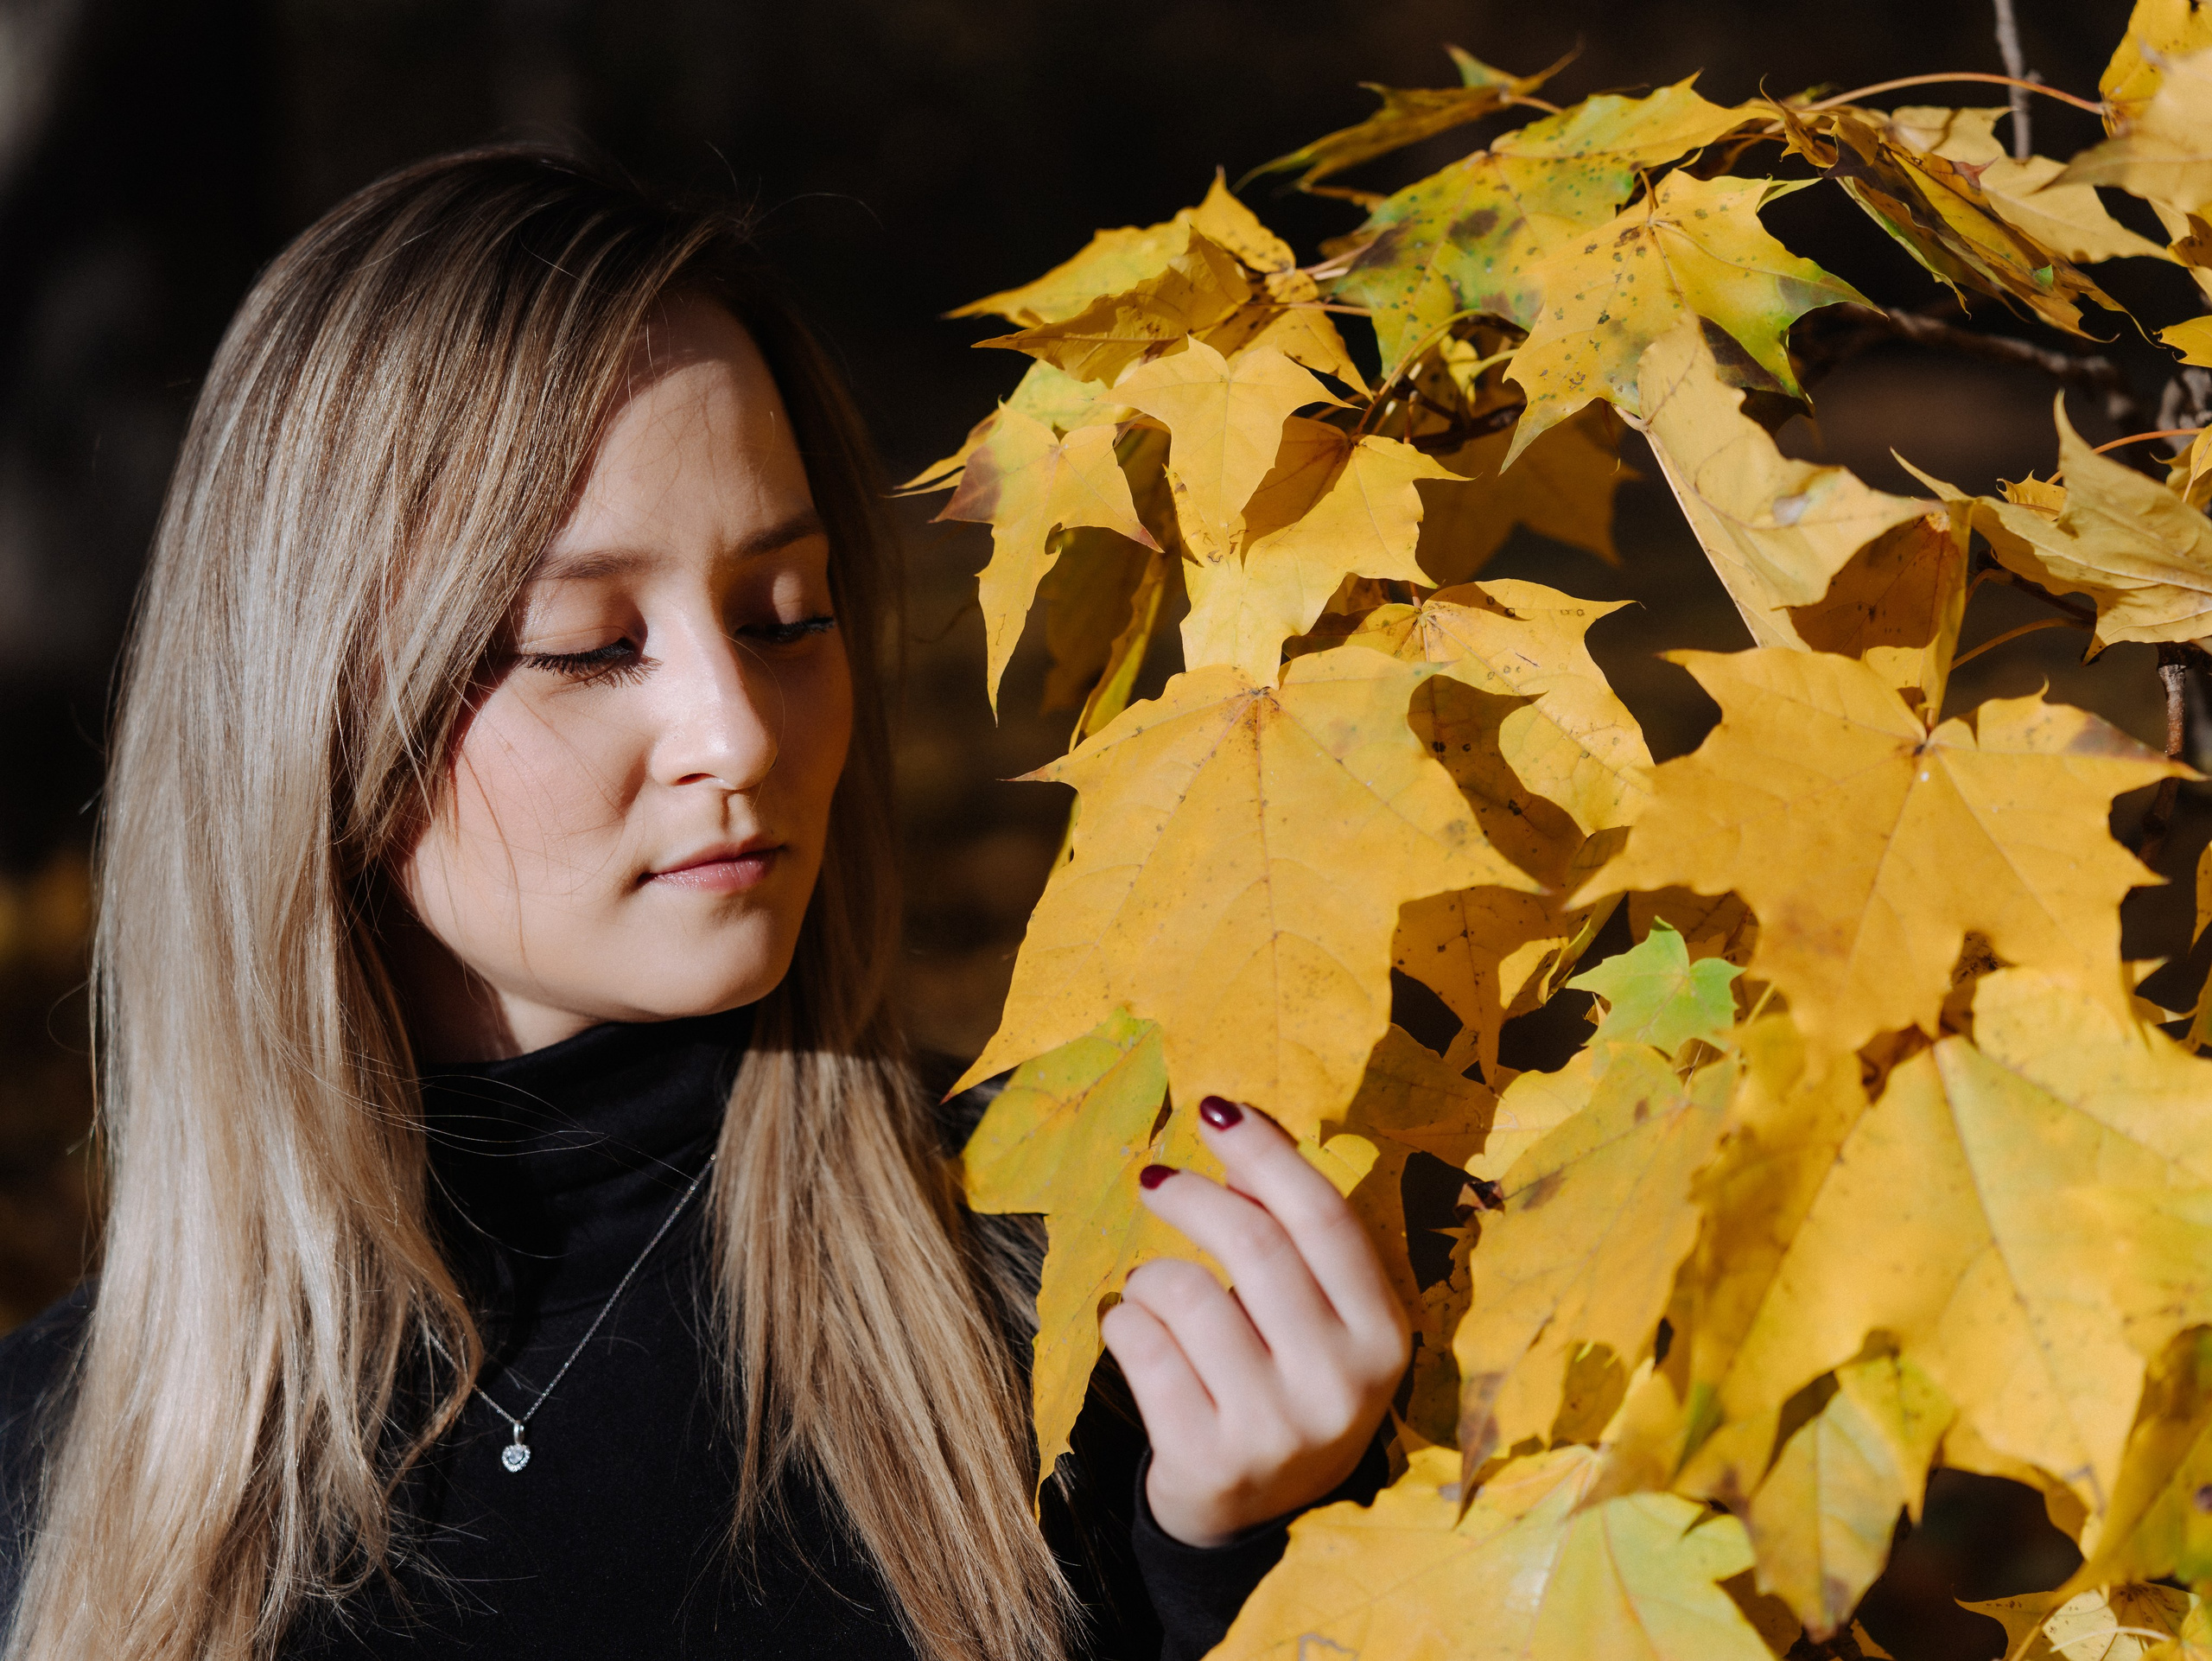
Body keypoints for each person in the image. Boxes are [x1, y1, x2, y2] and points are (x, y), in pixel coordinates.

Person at [0, 148, 1409, 1661]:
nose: (741, 732)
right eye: (590, 643)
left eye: (782, 616)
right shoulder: (54, 1483)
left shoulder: (1093, 1337)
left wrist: (1247, 1576)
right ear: (318, 714)